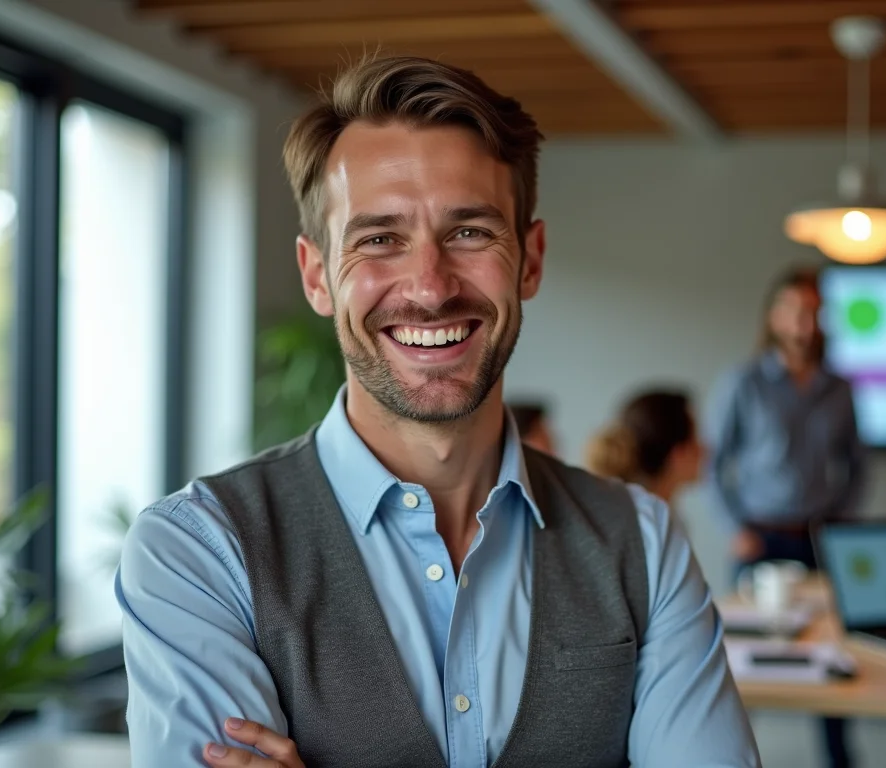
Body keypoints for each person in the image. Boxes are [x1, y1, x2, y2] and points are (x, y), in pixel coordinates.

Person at [116, 56, 759, 768]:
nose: (428, 287)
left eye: (470, 232)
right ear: (316, 275)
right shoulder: (200, 554)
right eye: (379, 239)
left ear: (531, 260)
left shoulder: (644, 545)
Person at [706, 266, 867, 768]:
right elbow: (715, 462)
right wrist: (736, 529)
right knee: (745, 670)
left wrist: (843, 517)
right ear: (774, 316)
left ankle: (841, 760)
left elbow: (858, 464)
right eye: (795, 309)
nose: (804, 321)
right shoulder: (744, 381)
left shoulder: (839, 389)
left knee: (834, 657)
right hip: (762, 540)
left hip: (821, 540)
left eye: (813, 311)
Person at [586, 389, 704, 508]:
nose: (704, 449)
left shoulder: (659, 516)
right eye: (694, 440)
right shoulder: (650, 521)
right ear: (677, 454)